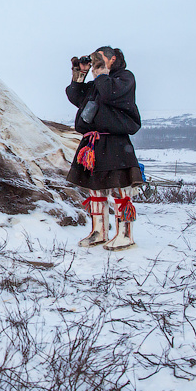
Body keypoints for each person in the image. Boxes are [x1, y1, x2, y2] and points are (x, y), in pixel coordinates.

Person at [66, 46, 143, 251]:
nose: (96, 66)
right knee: (96, 189)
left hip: (115, 143)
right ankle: (99, 232)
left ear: (113, 59)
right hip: (93, 144)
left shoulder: (124, 79)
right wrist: (79, 75)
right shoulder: (98, 84)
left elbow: (110, 94)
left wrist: (101, 72)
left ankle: (125, 235)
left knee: (120, 190)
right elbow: (76, 97)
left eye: (100, 60)